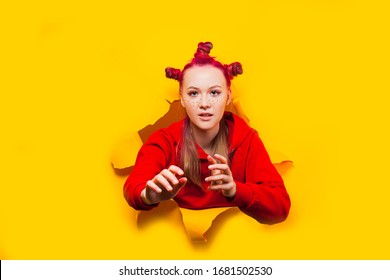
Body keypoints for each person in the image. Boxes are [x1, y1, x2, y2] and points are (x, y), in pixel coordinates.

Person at [123, 42, 290, 224]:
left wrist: (235, 190)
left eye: (214, 93)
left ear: (227, 97)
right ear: (182, 99)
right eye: (194, 93)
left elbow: (280, 207)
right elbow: (133, 187)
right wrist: (148, 195)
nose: (204, 103)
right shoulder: (164, 141)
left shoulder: (246, 140)